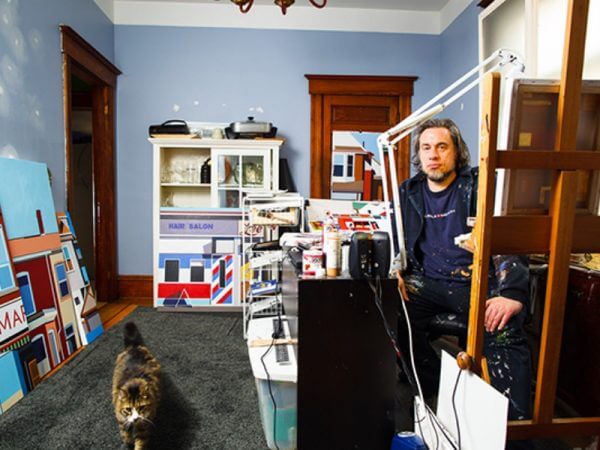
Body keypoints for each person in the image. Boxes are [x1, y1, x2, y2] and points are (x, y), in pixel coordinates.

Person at [396, 118, 532, 422]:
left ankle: (512, 428)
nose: (433, 154)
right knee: (394, 313)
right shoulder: (409, 192)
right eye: (426, 147)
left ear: (457, 152)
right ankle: (434, 388)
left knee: (504, 329)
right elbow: (396, 237)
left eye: (442, 147)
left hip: (476, 284)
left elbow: (509, 234)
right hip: (427, 283)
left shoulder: (480, 185)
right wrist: (396, 272)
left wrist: (511, 293)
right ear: (419, 154)